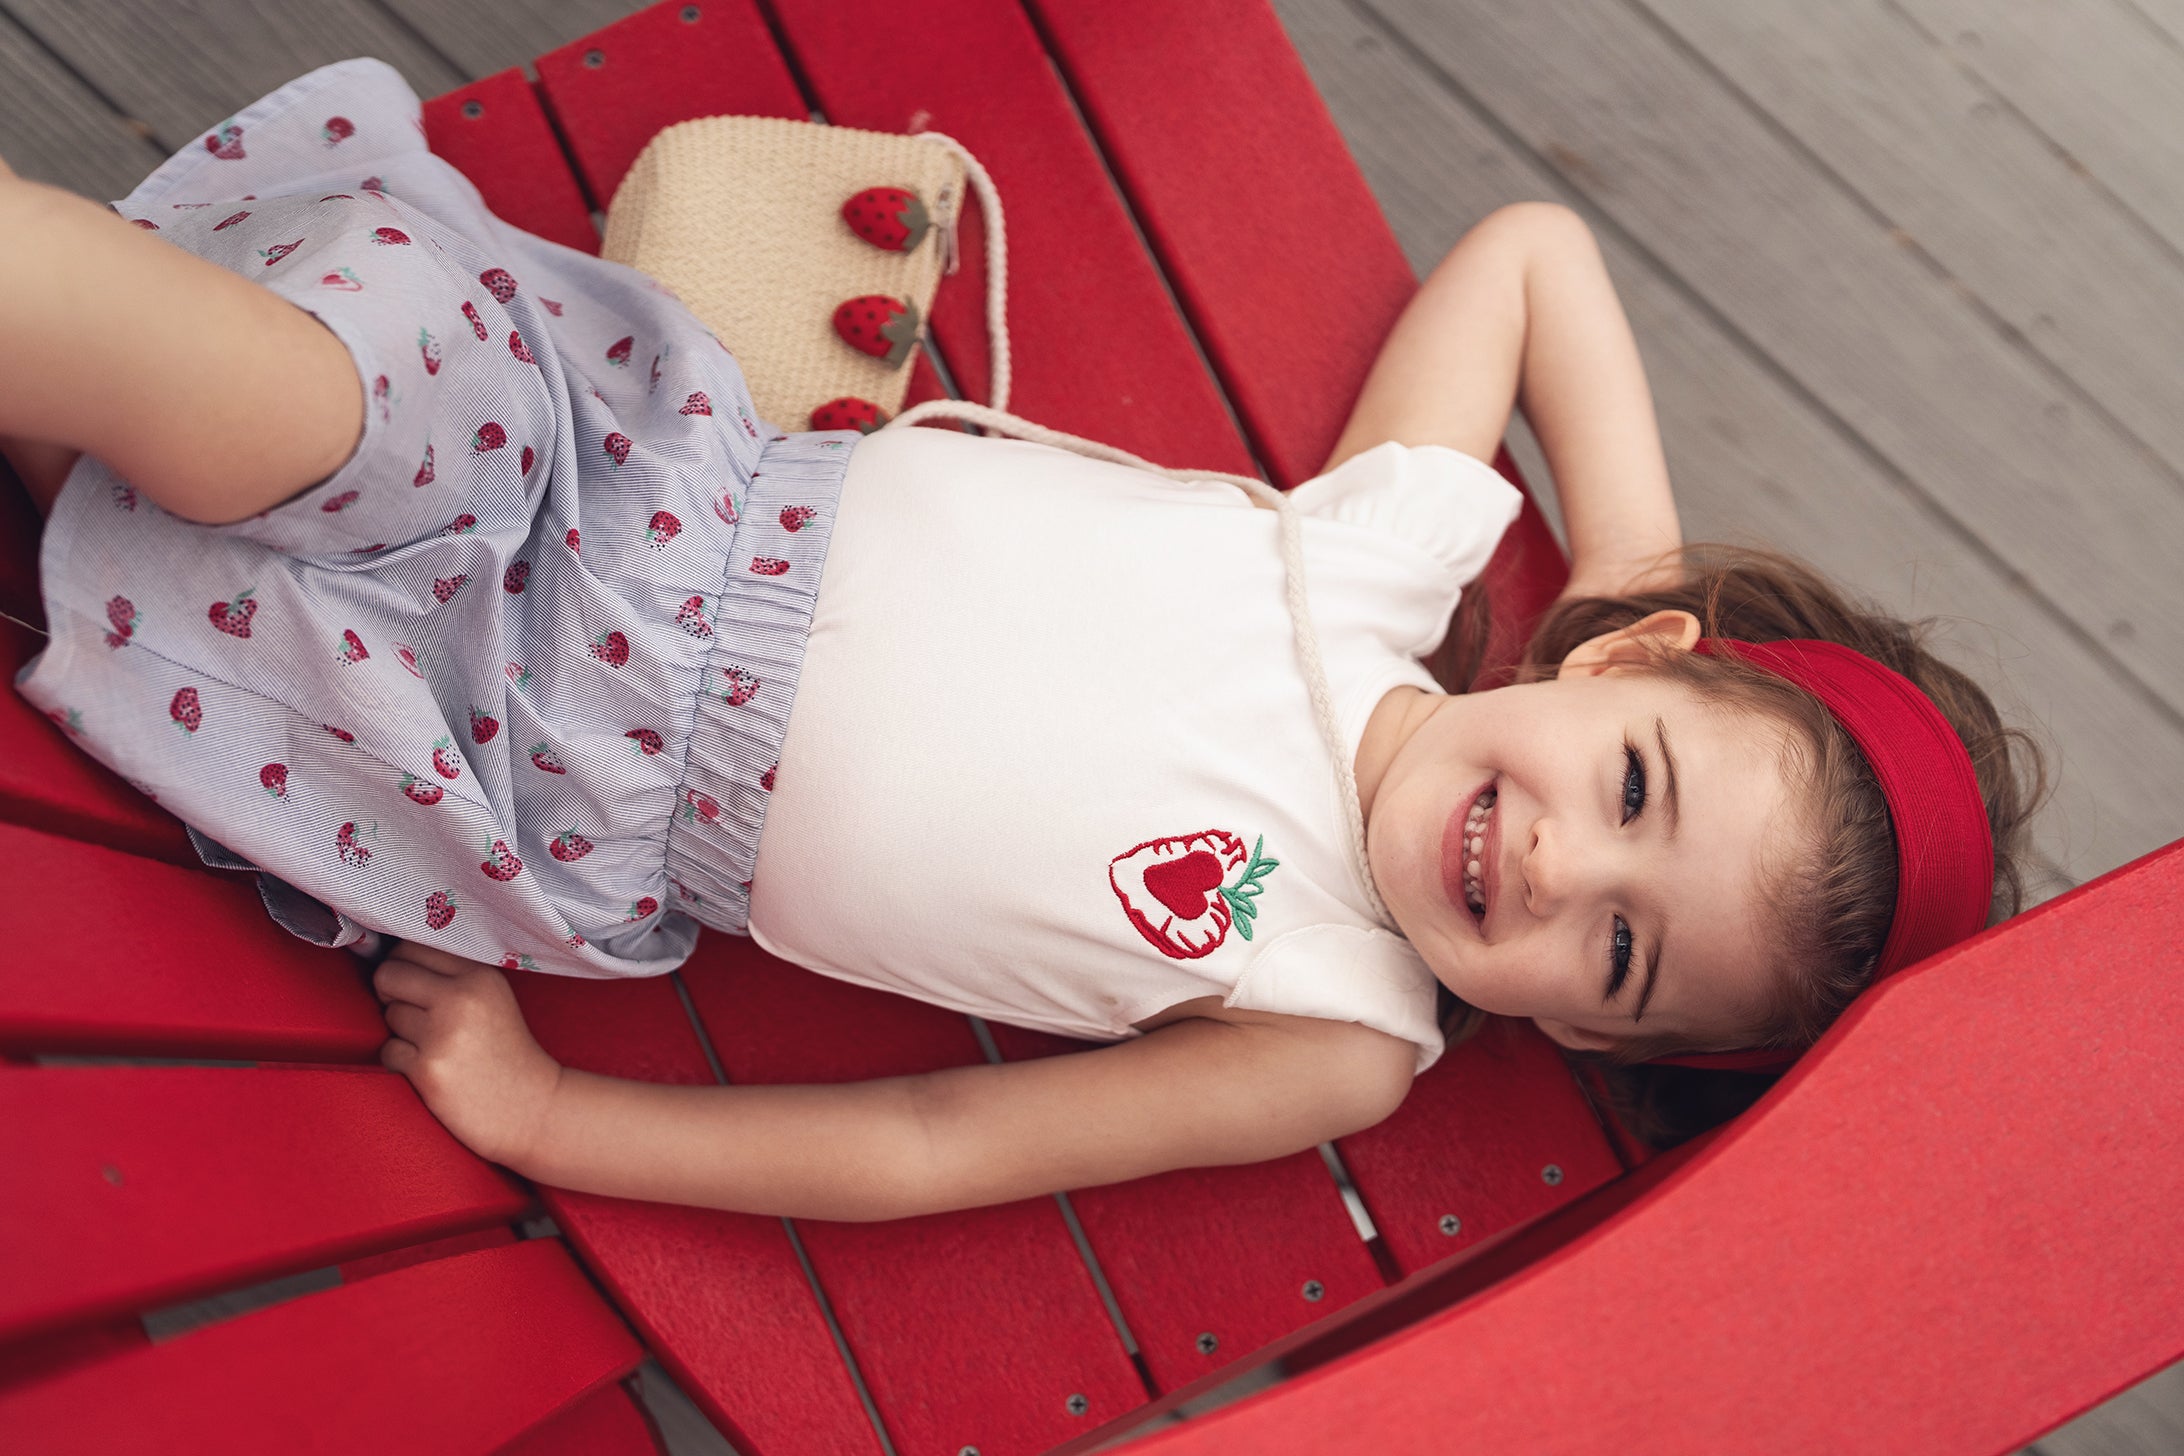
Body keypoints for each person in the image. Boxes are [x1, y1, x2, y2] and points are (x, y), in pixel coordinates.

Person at [3, 60, 2041, 1221]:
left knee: (180, 523)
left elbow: (933, 1140)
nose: (1565, 865)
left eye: (1622, 952)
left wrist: (553, 1122)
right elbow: (1537, 259)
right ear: (1616, 670)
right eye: (1636, 790)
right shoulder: (1384, 558)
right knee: (328, 402)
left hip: (561, 760)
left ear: (1592, 1039)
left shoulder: (1338, 1033)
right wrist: (1629, 587)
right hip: (630, 473)